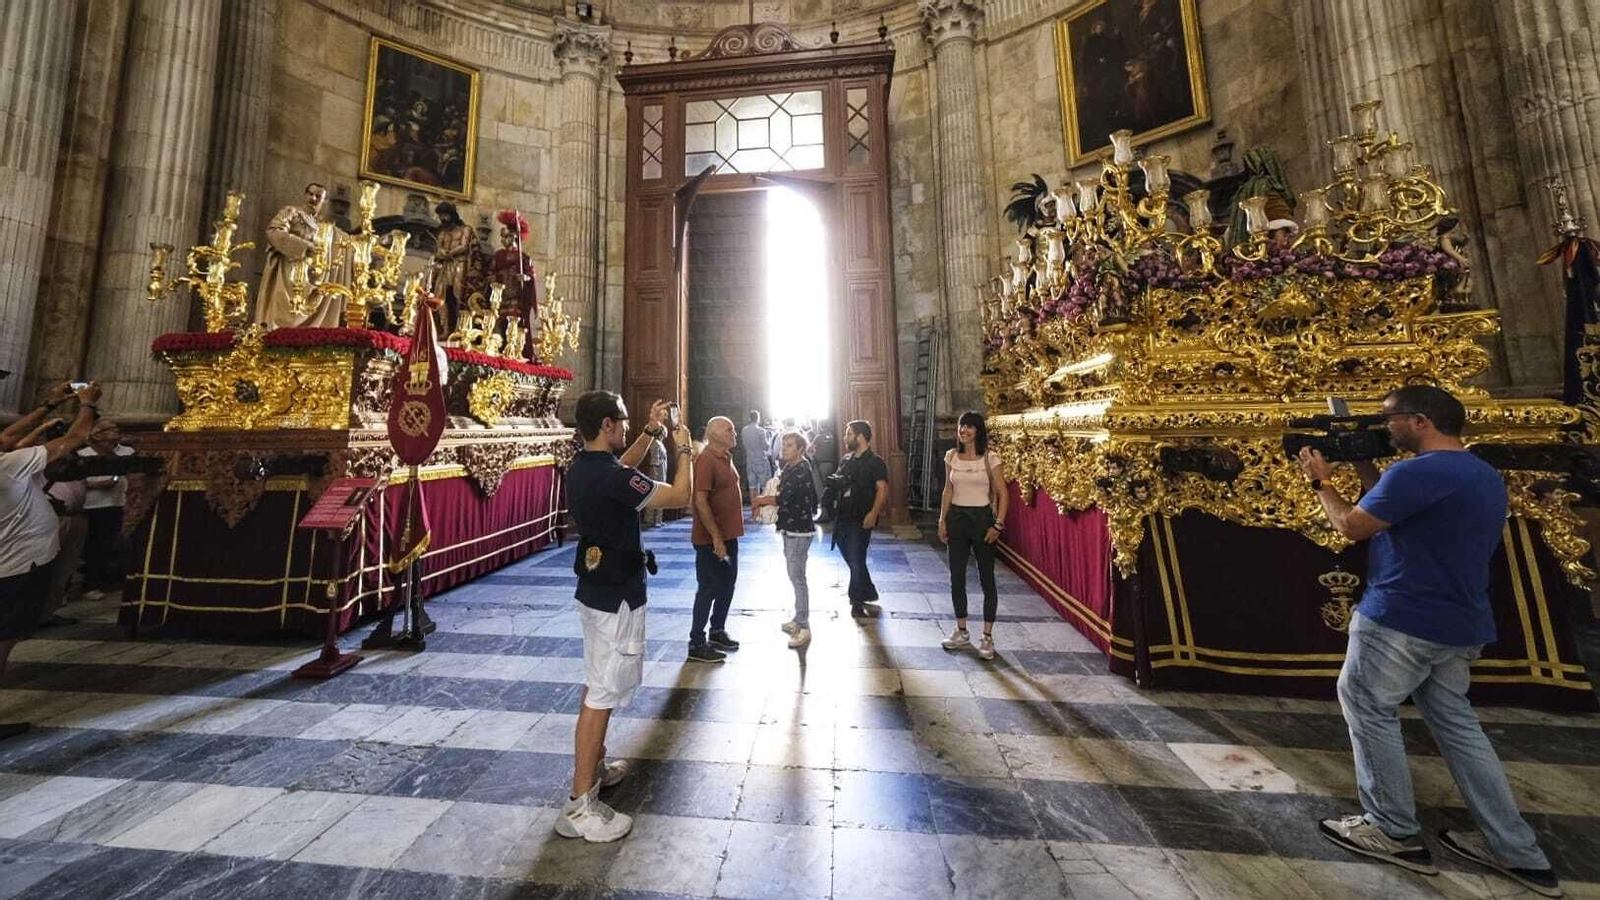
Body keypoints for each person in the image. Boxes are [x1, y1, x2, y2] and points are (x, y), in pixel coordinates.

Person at [1296, 385, 1562, 898]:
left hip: (1403, 615)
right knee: (1460, 729)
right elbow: (1393, 510)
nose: (1384, 429)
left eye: (1390, 420)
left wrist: (1321, 483)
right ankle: (1517, 851)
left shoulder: (1417, 472)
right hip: (1460, 621)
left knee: (1369, 708)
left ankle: (1391, 829)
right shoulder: (1478, 472)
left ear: (1420, 421)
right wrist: (1364, 468)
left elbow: (1352, 526)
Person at [561, 391, 692, 843]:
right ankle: (582, 804)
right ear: (605, 425)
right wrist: (684, 447)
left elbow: (621, 473)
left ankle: (592, 769)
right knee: (602, 691)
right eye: (622, 418)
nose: (626, 422)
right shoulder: (612, 477)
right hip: (616, 594)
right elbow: (680, 493)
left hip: (594, 586)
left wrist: (650, 432)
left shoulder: (582, 466)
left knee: (597, 683)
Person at [0, 382, 100, 741]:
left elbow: (9, 438)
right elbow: (72, 442)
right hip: (15, 566)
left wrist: (48, 405)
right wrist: (87, 405)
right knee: (4, 641)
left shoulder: (6, 461)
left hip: (11, 564)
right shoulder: (7, 467)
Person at [938, 411, 1009, 660]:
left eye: (969, 426)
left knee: (986, 578)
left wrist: (998, 525)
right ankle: (961, 630)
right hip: (956, 519)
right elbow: (948, 490)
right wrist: (942, 520)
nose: (963, 430)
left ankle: (987, 636)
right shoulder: (951, 456)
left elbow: (1003, 493)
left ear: (978, 430)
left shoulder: (990, 458)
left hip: (982, 520)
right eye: (960, 426)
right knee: (956, 577)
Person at [752, 431, 819, 648]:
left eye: (790, 446)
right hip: (791, 527)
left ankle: (804, 626)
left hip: (799, 530)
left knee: (797, 577)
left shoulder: (801, 469)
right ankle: (798, 618)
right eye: (784, 445)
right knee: (794, 574)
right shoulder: (791, 467)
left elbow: (784, 498)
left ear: (800, 449)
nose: (784, 449)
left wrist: (761, 500)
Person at [689, 416, 744, 662]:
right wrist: (716, 538)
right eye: (729, 429)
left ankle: (717, 630)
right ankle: (697, 642)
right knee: (708, 588)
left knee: (727, 585)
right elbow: (700, 500)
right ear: (715, 434)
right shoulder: (706, 460)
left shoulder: (725, 458)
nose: (735, 432)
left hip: (728, 536)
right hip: (711, 539)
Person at [254, 183, 346, 328]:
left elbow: (342, 242)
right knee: (282, 315)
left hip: (313, 276)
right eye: (310, 194)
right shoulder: (291, 212)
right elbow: (274, 231)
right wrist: (304, 246)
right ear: (305, 194)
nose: (313, 198)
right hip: (287, 273)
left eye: (318, 196)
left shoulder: (324, 226)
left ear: (324, 200)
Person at [833, 420, 888, 618]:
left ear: (860, 437)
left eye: (849, 434)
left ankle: (856, 600)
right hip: (843, 515)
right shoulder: (845, 460)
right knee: (851, 557)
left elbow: (882, 489)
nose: (846, 438)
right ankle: (868, 590)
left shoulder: (876, 462)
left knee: (857, 558)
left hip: (861, 516)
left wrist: (874, 513)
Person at [79, 420, 135, 599]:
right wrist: (96, 484)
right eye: (110, 429)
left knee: (114, 544)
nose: (116, 432)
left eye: (117, 428)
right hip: (92, 505)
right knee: (92, 546)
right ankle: (90, 584)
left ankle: (110, 579)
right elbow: (72, 481)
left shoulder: (127, 452)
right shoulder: (82, 454)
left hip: (119, 502)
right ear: (97, 435)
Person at [432, 201, 485, 333]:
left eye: (445, 215)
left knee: (458, 295)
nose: (442, 219)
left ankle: (459, 328)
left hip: (459, 265)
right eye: (440, 216)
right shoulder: (442, 233)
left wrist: (449, 253)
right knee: (438, 295)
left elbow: (464, 245)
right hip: (445, 266)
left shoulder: (465, 229)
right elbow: (438, 249)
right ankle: (444, 329)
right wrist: (441, 253)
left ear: (452, 215)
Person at [740, 410, 772, 505]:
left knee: (752, 486)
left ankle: (754, 509)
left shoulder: (744, 430)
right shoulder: (761, 431)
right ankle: (763, 509)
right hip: (761, 460)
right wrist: (769, 438)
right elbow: (766, 446)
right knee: (764, 486)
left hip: (750, 460)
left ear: (750, 418)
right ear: (758, 418)